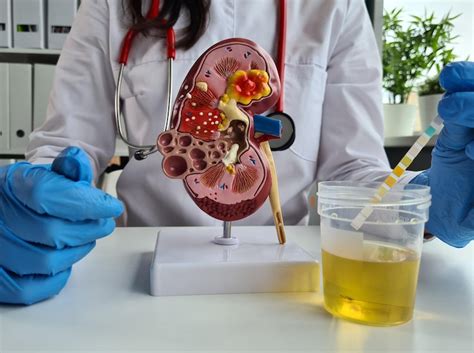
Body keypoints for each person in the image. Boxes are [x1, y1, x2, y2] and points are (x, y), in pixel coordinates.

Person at [0, 0, 472, 305]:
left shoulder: (338, 8)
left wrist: (420, 205)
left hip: (284, 287)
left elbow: (352, 170)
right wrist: (39, 202)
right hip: (139, 281)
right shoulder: (112, 6)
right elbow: (67, 148)